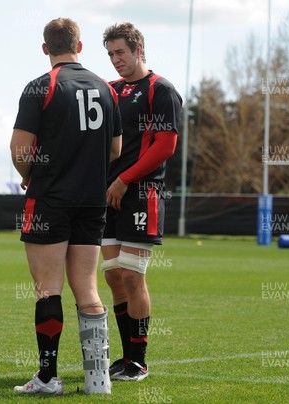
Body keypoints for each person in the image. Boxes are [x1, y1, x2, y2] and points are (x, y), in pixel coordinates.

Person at [10, 17, 122, 395]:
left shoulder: (40, 87)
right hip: (92, 201)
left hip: (50, 200)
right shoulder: (107, 88)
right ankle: (98, 381)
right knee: (88, 289)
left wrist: (30, 173)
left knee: (48, 290)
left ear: (46, 48)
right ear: (80, 45)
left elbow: (20, 150)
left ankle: (47, 378)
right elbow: (116, 149)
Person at [100, 22, 182, 381]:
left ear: (138, 49)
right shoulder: (109, 90)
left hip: (142, 193)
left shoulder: (161, 89)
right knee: (114, 277)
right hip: (107, 195)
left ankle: (139, 361)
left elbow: (165, 146)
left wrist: (124, 179)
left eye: (120, 52)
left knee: (133, 277)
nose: (116, 59)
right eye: (110, 54)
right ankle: (124, 356)